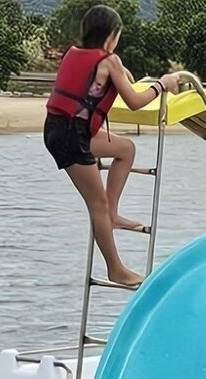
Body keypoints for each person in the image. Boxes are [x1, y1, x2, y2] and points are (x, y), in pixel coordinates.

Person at [44, 6, 182, 288]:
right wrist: (162, 84)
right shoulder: (110, 61)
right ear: (111, 36)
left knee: (125, 149)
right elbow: (135, 102)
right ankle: (115, 269)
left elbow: (93, 83)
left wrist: (121, 72)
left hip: (59, 129)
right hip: (71, 135)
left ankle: (113, 215)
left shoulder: (74, 53)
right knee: (97, 204)